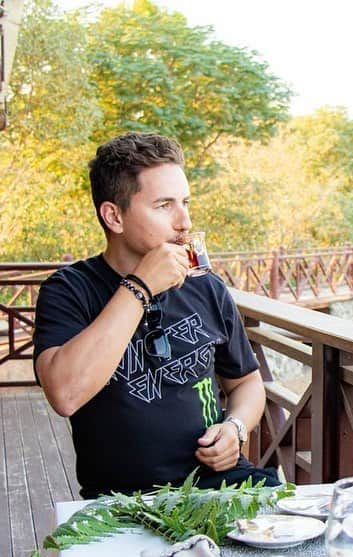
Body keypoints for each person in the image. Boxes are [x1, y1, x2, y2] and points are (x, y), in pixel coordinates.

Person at [33, 132, 279, 499]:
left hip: (220, 486)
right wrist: (140, 286)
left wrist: (236, 428)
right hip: (125, 504)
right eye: (164, 205)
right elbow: (65, 395)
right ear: (113, 216)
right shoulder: (70, 289)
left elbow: (246, 382)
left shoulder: (207, 287)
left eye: (185, 202)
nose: (184, 221)